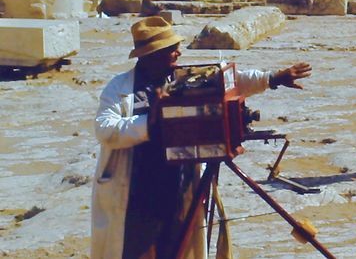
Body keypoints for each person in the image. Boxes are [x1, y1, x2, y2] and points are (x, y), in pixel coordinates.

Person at [91, 15, 311, 259]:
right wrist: (152, 124)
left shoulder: (182, 79)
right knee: (140, 250)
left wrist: (273, 78)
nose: (179, 54)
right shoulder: (119, 88)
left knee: (178, 246)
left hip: (179, 185)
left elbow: (232, 81)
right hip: (138, 192)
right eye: (172, 50)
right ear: (152, 54)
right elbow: (105, 129)